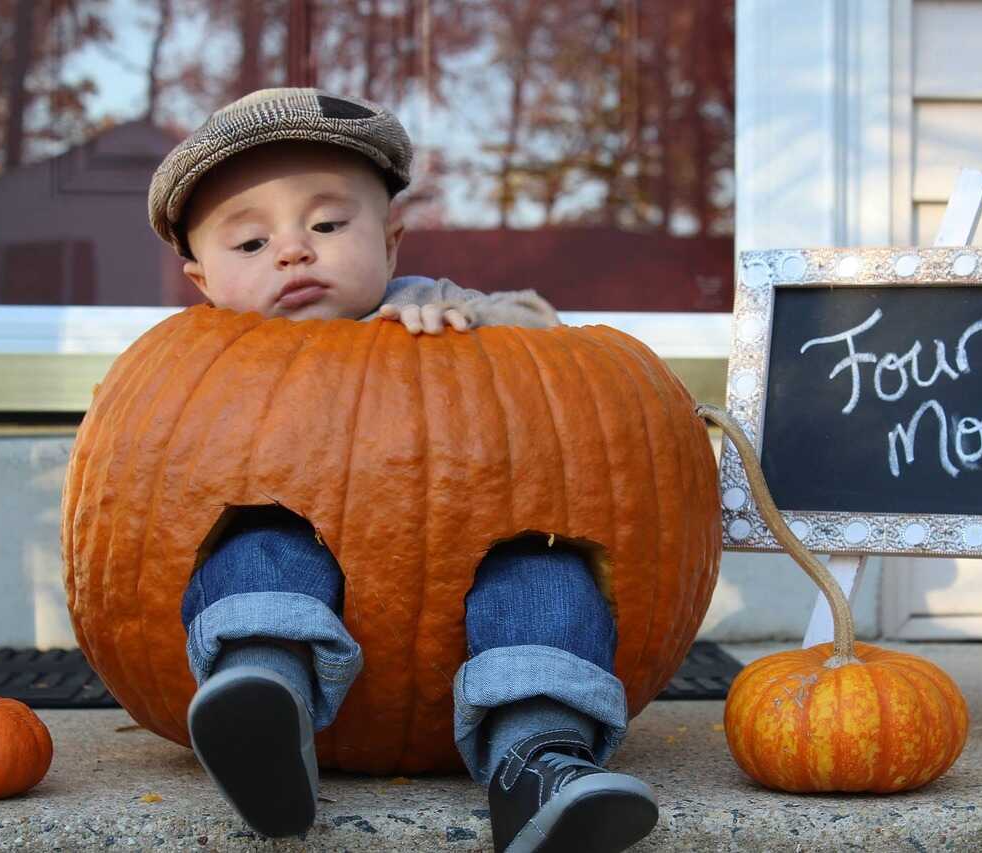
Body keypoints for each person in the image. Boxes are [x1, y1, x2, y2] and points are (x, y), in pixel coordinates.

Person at [146, 87, 659, 852]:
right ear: (203, 281)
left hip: (465, 615)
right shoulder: (197, 362)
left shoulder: (429, 307)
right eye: (250, 244)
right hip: (301, 592)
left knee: (543, 575)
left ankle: (539, 757)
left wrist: (473, 327)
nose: (293, 249)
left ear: (390, 242)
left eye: (326, 224)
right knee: (260, 546)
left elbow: (558, 352)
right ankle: (260, 704)